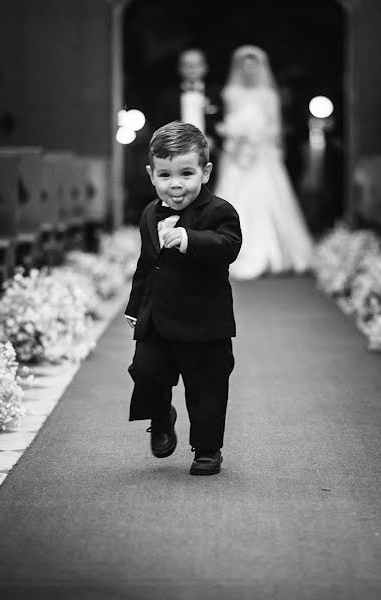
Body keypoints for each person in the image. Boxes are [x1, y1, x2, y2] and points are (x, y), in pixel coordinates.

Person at [124, 121, 242, 476]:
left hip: (204, 321)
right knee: (145, 371)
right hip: (157, 318)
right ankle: (161, 417)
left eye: (186, 173)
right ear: (151, 175)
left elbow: (229, 246)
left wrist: (191, 239)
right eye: (165, 175)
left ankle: (207, 449)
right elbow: (147, 264)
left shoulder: (219, 211)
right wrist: (135, 307)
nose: (176, 185)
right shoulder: (149, 214)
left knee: (207, 387)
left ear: (205, 173)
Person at [214, 44, 314, 281]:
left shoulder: (269, 95)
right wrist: (237, 134)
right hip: (236, 155)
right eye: (245, 67)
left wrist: (256, 136)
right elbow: (228, 122)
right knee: (232, 199)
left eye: (253, 67)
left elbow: (275, 128)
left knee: (265, 201)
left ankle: (269, 253)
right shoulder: (231, 93)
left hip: (262, 155)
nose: (249, 72)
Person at [154, 48, 221, 143]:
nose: (192, 69)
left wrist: (215, 142)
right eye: (187, 65)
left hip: (211, 153)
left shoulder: (217, 95)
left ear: (205, 67)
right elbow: (161, 127)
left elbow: (223, 124)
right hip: (177, 152)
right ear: (179, 68)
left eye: (197, 65)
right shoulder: (168, 97)